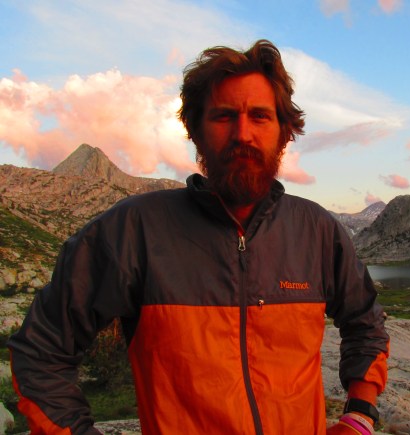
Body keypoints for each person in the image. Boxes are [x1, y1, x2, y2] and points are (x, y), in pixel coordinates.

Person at [8, 39, 389, 435]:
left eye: (260, 116)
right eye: (224, 116)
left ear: (284, 133)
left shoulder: (316, 230)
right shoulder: (135, 229)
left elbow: (365, 321)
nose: (243, 134)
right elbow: (40, 351)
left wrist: (360, 415)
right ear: (196, 130)